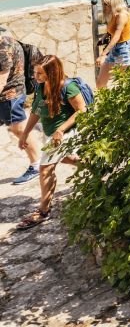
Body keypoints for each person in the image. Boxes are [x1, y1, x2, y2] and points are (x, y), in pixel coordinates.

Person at [16, 55, 86, 230]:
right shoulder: (40, 86)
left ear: (52, 72)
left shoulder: (68, 87)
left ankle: (43, 211)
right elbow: (36, 111)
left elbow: (82, 111)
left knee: (46, 167)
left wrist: (61, 130)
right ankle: (90, 164)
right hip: (52, 133)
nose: (36, 76)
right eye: (35, 72)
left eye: (40, 73)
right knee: (62, 158)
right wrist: (25, 133)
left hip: (68, 132)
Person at [0, 27, 42, 185]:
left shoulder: (2, 48)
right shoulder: (8, 40)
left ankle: (36, 165)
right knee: (17, 127)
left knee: (18, 129)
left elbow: (2, 81)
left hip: (9, 95)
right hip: (13, 93)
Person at [95, 0, 130, 89]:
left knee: (125, 84)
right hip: (114, 50)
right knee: (100, 84)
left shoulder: (122, 15)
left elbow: (117, 36)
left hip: (123, 49)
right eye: (103, 4)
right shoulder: (113, 15)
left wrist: (103, 54)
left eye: (106, 4)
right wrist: (105, 36)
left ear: (114, 3)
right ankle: (105, 103)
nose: (104, 7)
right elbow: (112, 31)